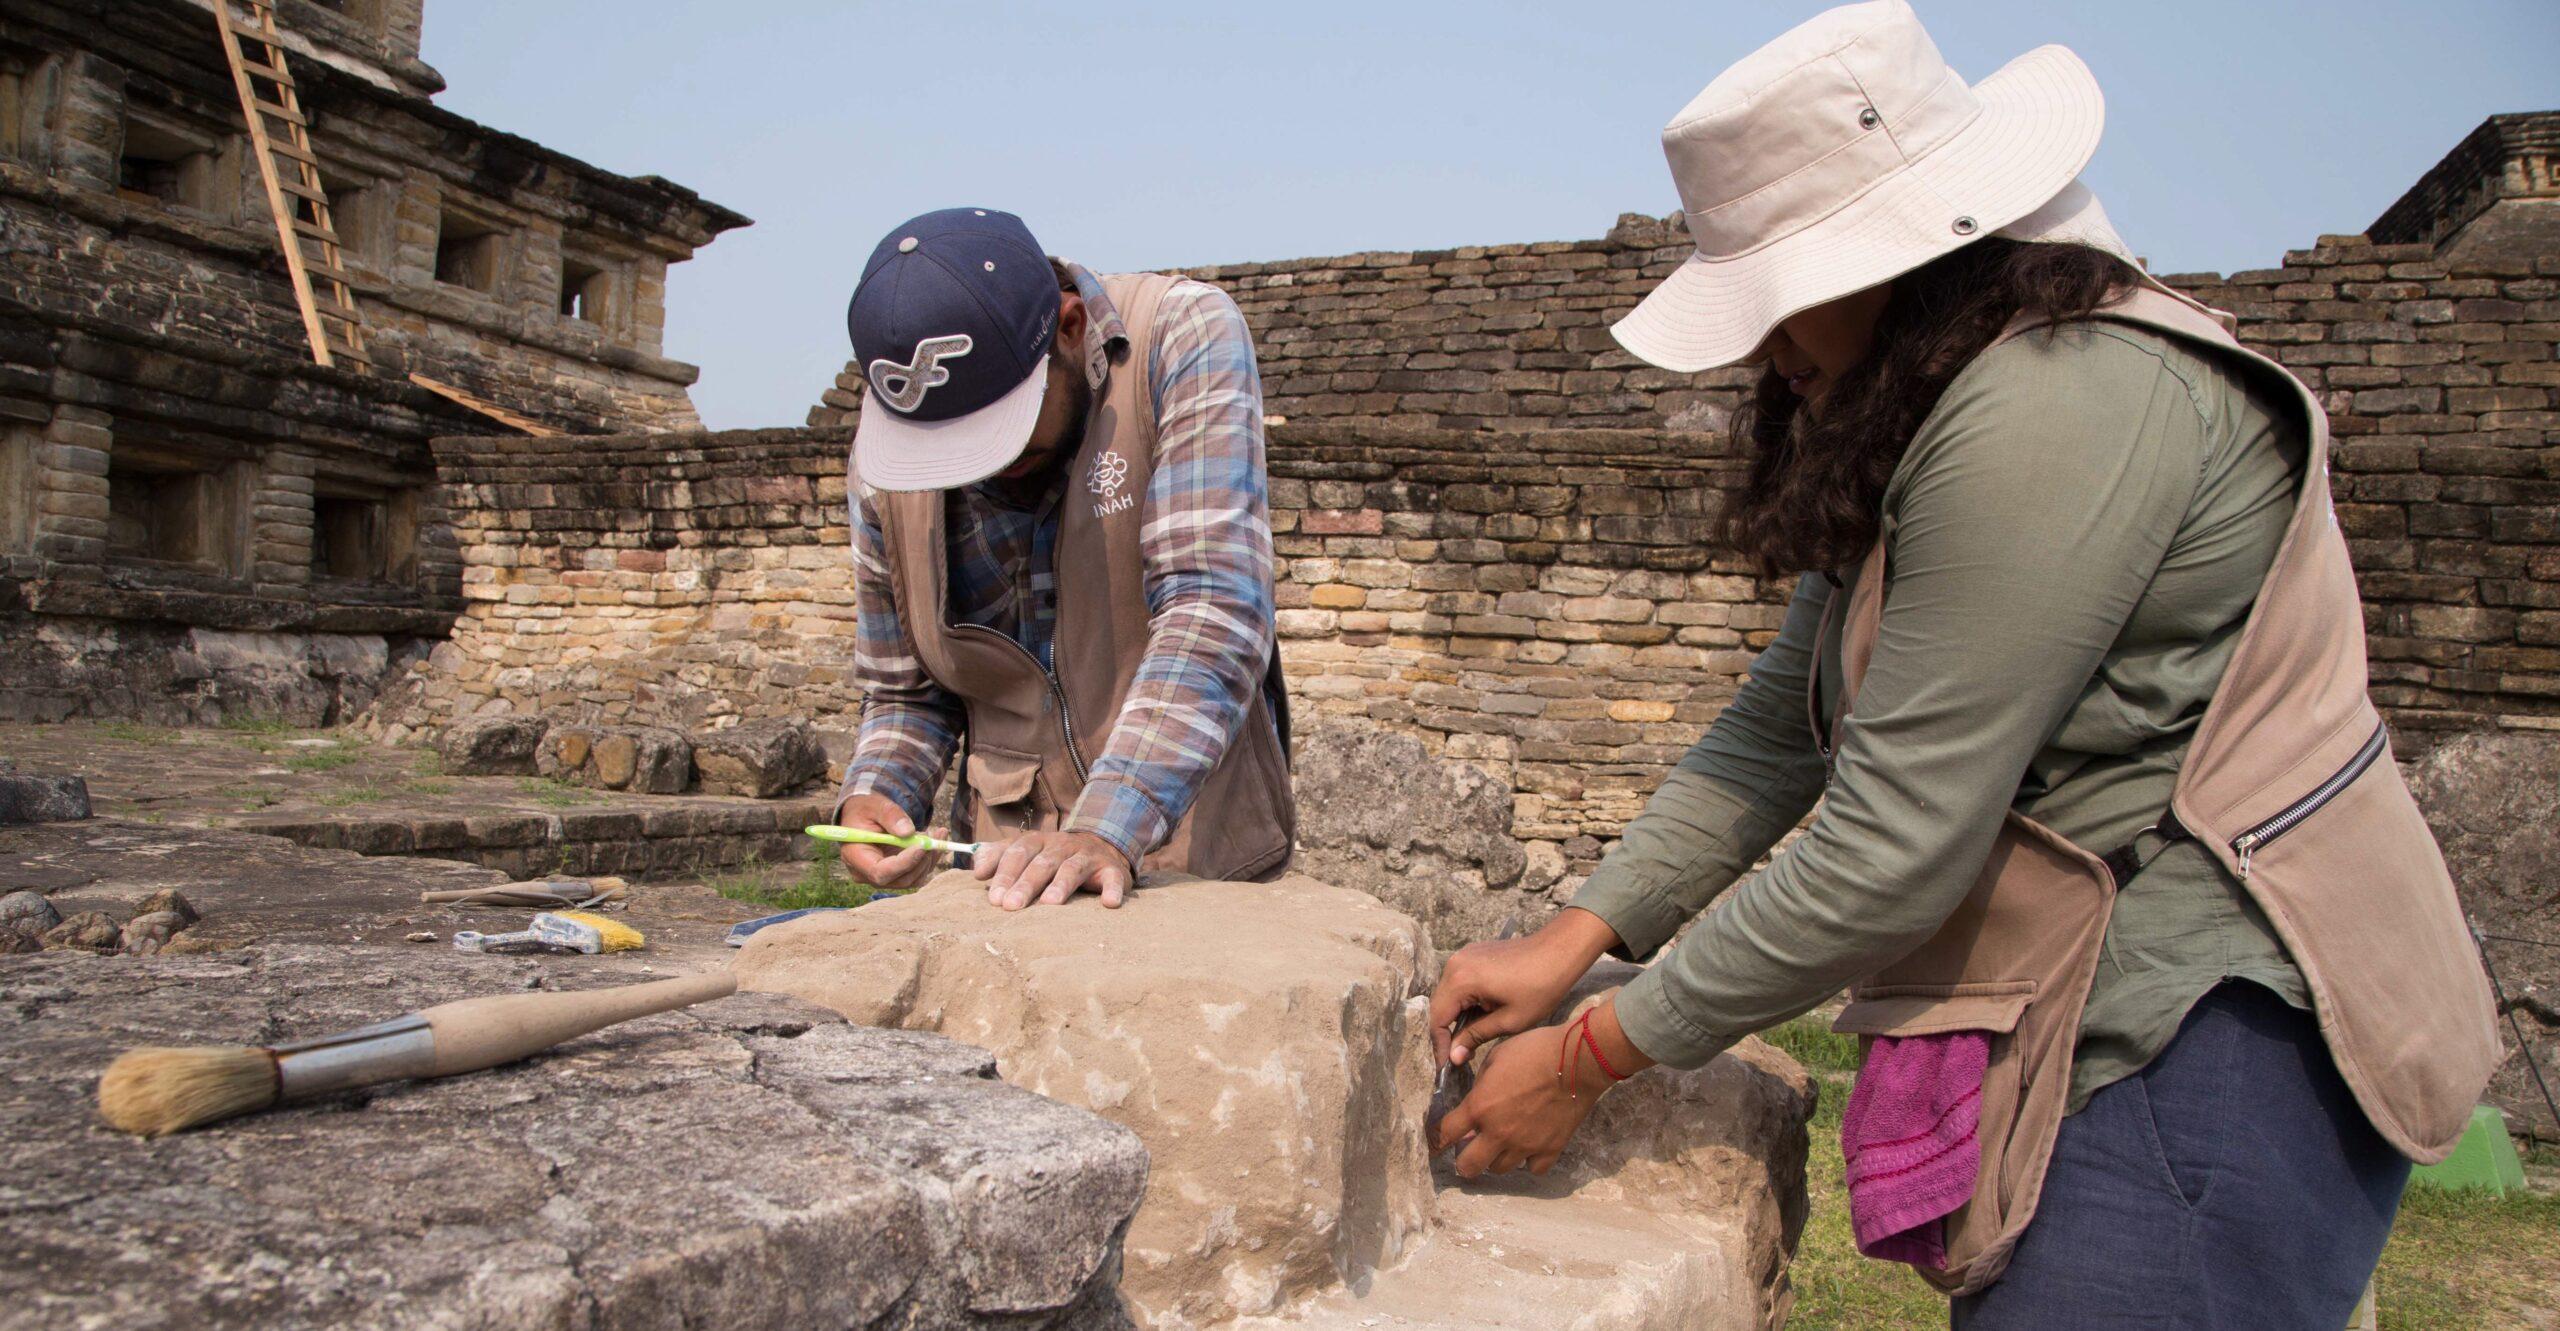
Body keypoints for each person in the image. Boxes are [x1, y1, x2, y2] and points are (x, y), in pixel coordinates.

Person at [1424, 4, 2499, 1326]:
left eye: (1779, 298)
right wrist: (1576, 934)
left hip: (2214, 1027)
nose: (1766, 348)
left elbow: (1890, 843)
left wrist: (1590, 1053)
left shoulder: (2054, 401)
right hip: (2108, 1005)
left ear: (1890, 258)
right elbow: (1783, 726)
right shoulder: (1931, 395)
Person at [831, 207, 1294, 910]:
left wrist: (1106, 826)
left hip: (1191, 866)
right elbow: (907, 690)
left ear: (1070, 329)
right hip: (1002, 881)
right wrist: (878, 792)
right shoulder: (888, 455)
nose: (982, 473)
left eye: (1004, 439)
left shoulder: (1181, 336)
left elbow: (1216, 606)